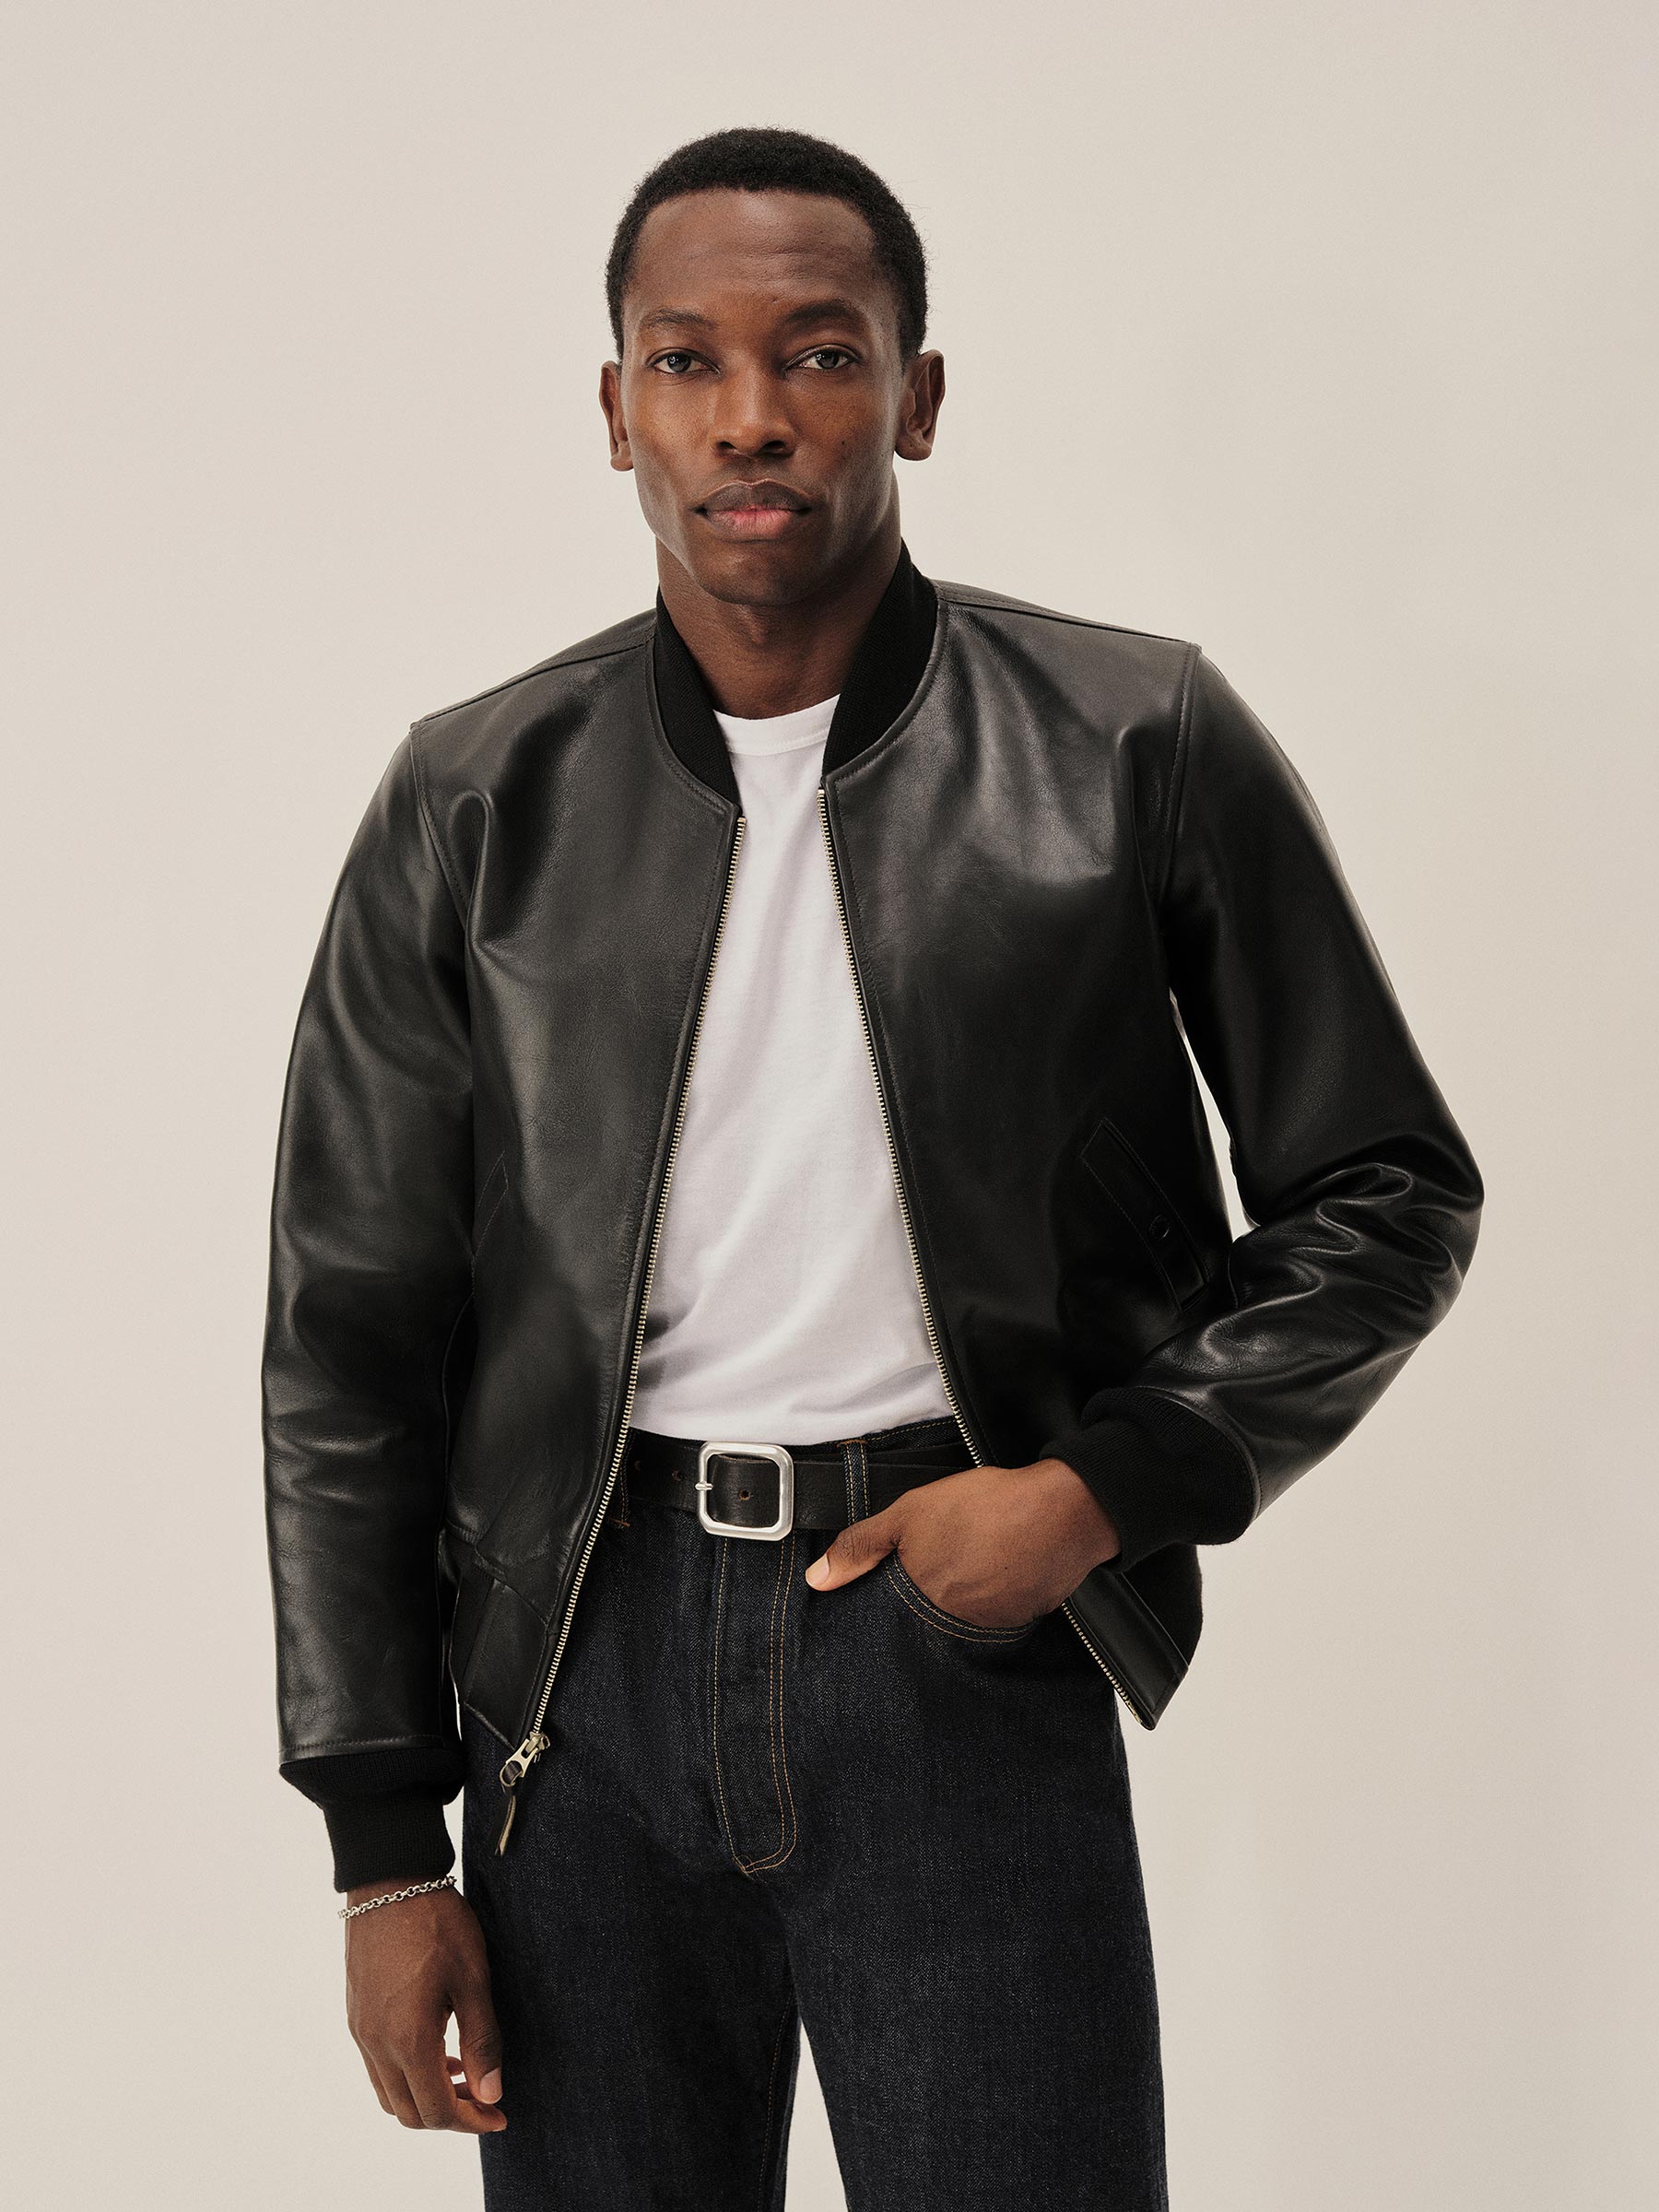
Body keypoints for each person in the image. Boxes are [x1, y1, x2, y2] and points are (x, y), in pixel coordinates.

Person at [262, 125, 1483, 2210]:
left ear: (917, 393)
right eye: (688, 360)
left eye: (821, 354)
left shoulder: (1132, 740)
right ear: (617, 410)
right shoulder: (477, 797)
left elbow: (1386, 1189)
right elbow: (349, 1339)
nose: (753, 416)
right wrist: (385, 1848)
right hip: (576, 1690)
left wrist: (1094, 1495)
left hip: (957, 1644)